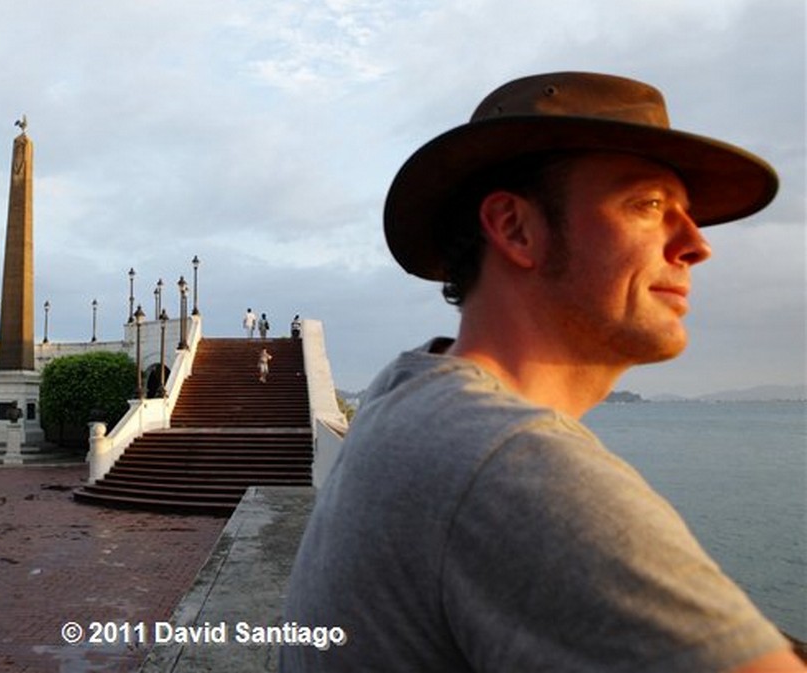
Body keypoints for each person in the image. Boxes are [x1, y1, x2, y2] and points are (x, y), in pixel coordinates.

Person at [282, 72, 804, 672]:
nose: (694, 245)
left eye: (688, 214)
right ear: (514, 228)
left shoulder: (403, 396)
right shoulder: (512, 465)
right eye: (650, 205)